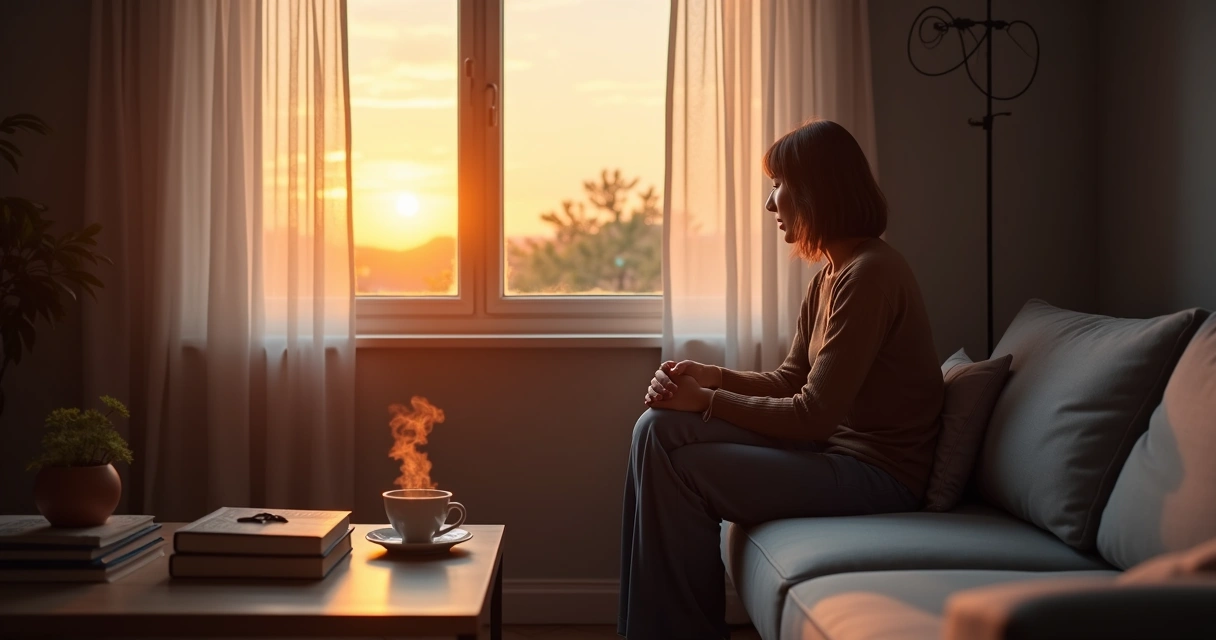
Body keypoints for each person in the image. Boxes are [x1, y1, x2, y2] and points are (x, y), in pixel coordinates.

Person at [617, 119, 944, 639]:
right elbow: (792, 378)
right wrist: (711, 376)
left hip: (877, 476)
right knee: (654, 427)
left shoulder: (871, 275)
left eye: (778, 185)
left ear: (817, 190)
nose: (771, 204)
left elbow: (814, 414)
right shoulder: (830, 277)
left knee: (677, 456)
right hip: (832, 454)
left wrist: (706, 400)